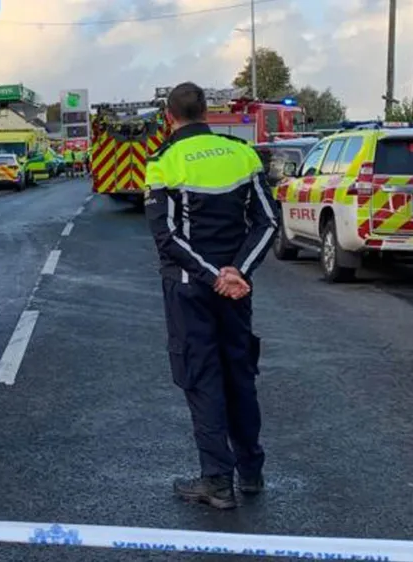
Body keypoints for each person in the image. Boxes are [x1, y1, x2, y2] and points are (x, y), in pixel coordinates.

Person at [143, 82, 278, 510]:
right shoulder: (242, 154)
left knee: (201, 377)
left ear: (169, 116)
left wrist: (210, 274)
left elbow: (165, 236)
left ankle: (217, 482)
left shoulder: (163, 163)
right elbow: (267, 222)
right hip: (236, 289)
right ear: (207, 112)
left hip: (190, 289)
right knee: (239, 372)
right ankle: (251, 471)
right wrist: (238, 272)